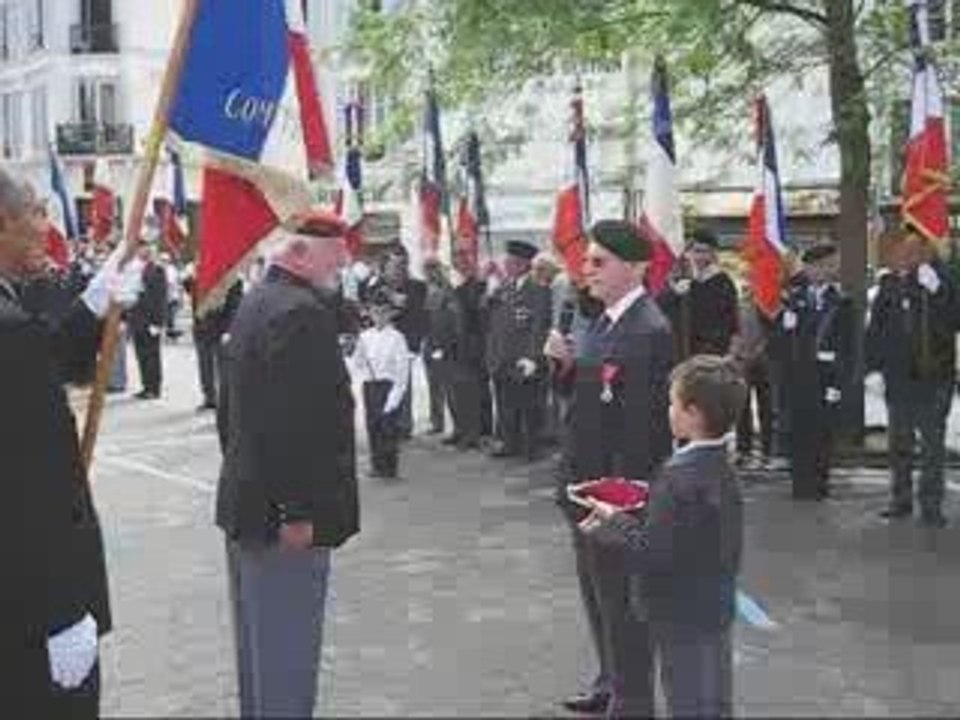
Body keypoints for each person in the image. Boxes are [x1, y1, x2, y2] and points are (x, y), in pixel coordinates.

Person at [0, 172, 137, 716]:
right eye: (35, 211)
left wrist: (94, 306)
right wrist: (60, 612)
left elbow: (41, 363)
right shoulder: (6, 329)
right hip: (28, 614)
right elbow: (32, 483)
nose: (47, 225)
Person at [215, 210, 360, 717]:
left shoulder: (257, 301)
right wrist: (296, 510)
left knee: (262, 655)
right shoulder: (300, 312)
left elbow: (230, 410)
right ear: (298, 253)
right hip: (285, 517)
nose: (341, 263)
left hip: (250, 502)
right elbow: (295, 424)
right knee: (287, 655)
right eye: (333, 255)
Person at [545, 219, 674, 719]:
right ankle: (609, 681)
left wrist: (621, 504)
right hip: (582, 485)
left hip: (610, 494)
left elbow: (641, 431)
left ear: (635, 267)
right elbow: (589, 400)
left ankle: (631, 699)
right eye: (587, 260)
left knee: (622, 604)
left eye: (599, 262)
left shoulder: (648, 329)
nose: (586, 269)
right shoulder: (603, 321)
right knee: (598, 598)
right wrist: (565, 367)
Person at [582, 354, 746, 719]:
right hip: (714, 604)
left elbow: (650, 551)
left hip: (677, 610)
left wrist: (614, 522)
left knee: (687, 699)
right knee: (715, 698)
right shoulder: (721, 467)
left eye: (673, 403)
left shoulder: (676, 475)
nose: (668, 410)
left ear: (693, 413)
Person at [865, 227, 958, 528]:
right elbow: (875, 330)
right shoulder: (890, 284)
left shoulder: (943, 282)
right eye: (905, 250)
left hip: (933, 377)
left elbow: (953, 322)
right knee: (899, 443)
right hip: (899, 377)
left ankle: (931, 505)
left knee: (932, 445)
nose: (909, 255)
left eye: (917, 249)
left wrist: (940, 292)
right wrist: (873, 368)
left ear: (929, 251)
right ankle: (900, 499)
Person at [779, 244, 854, 500]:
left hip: (826, 376)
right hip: (798, 376)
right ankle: (799, 483)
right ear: (809, 267)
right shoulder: (793, 297)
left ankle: (820, 484)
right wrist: (785, 325)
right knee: (798, 430)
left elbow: (849, 346)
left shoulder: (842, 300)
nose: (828, 270)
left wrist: (840, 383)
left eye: (832, 265)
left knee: (822, 432)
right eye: (821, 265)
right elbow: (781, 343)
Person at [485, 239, 552, 459]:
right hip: (502, 357)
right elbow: (491, 320)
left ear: (523, 263)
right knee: (505, 403)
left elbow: (539, 327)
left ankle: (531, 445)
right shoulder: (503, 288)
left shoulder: (538, 291)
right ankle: (509, 442)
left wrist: (533, 357)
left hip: (523, 357)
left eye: (511, 261)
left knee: (528, 404)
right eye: (506, 261)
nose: (506, 264)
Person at [351, 290, 411, 478]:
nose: (379, 316)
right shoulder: (365, 336)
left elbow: (402, 371)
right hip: (370, 386)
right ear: (370, 313)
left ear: (390, 313)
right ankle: (376, 465)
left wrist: (395, 397)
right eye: (376, 312)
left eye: (384, 312)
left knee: (388, 427)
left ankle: (389, 467)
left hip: (388, 386)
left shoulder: (397, 337)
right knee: (373, 425)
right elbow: (357, 363)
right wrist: (354, 352)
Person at [658, 227, 739, 361]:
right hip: (678, 351)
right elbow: (660, 309)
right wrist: (674, 293)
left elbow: (731, 320)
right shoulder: (677, 279)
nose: (699, 257)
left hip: (711, 353)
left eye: (705, 252)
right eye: (696, 251)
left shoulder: (722, 282)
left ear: (713, 254)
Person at [184, 272, 243, 412]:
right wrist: (191, 276)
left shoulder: (234, 279)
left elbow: (234, 307)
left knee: (223, 368)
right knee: (204, 366)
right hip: (201, 327)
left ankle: (226, 400)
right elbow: (189, 289)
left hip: (221, 329)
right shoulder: (200, 276)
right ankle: (209, 398)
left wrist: (229, 330)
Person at [731, 286, 775, 467]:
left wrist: (760, 350)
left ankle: (768, 450)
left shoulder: (765, 304)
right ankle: (743, 450)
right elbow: (732, 333)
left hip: (763, 361)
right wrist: (737, 352)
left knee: (767, 406)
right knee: (742, 407)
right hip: (742, 361)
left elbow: (771, 332)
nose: (746, 289)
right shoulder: (736, 307)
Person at [422, 257, 458, 437]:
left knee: (448, 386)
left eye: (433, 269)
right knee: (433, 385)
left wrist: (446, 343)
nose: (430, 273)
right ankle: (437, 422)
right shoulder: (423, 289)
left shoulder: (448, 289)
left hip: (443, 342)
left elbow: (452, 318)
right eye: (427, 269)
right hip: (428, 341)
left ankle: (457, 426)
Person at [129, 242, 167, 399]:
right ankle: (145, 386)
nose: (141, 251)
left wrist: (158, 322)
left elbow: (161, 298)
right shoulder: (134, 269)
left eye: (145, 248)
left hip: (151, 319)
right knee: (141, 354)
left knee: (152, 355)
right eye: (139, 247)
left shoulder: (157, 270)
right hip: (137, 318)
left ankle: (154, 388)